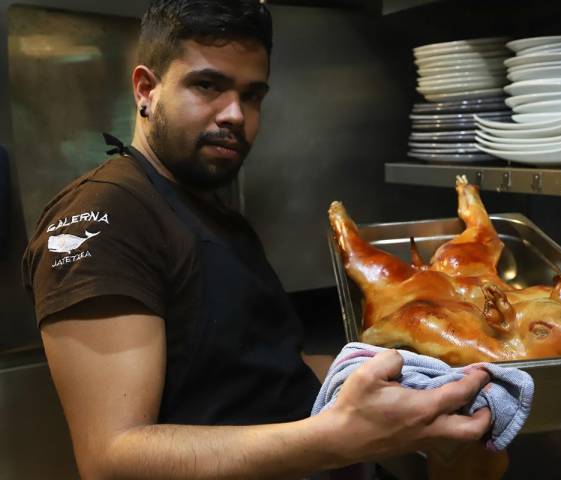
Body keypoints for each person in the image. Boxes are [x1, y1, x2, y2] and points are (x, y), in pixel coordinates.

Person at [21, 1, 492, 478]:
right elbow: (112, 458)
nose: (234, 115)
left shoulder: (207, 208)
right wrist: (338, 438)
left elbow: (262, 369)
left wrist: (416, 386)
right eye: (208, 85)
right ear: (146, 89)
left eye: (252, 96)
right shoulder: (103, 218)